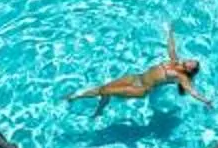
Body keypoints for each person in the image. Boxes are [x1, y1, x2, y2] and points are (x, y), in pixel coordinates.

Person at [68, 27, 208, 112]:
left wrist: (206, 101)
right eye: (192, 60)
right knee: (105, 88)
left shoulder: (181, 77)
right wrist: (169, 31)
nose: (190, 60)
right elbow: (171, 47)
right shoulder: (174, 61)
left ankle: (76, 97)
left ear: (190, 70)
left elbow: (191, 91)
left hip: (141, 89)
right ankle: (99, 109)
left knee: (104, 90)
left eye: (192, 63)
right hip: (136, 77)